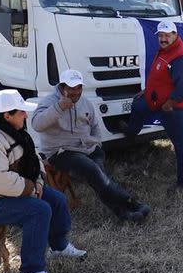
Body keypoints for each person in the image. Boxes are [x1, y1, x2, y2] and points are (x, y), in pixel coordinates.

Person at [0, 89, 85, 273]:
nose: (26, 115)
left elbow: (34, 158)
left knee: (57, 200)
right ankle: (31, 272)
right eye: (21, 112)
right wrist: (32, 189)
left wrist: (39, 182)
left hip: (5, 190)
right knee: (39, 210)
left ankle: (58, 246)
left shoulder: (9, 127)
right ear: (7, 115)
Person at [31, 69, 151, 222]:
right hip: (61, 152)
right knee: (95, 172)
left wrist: (97, 144)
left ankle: (125, 213)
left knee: (98, 176)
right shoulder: (49, 102)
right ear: (62, 87)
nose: (76, 92)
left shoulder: (85, 102)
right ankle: (131, 204)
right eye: (71, 88)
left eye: (79, 87)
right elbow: (37, 124)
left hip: (88, 148)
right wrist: (59, 107)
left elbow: (95, 126)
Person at [124, 21, 183, 190]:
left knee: (182, 145)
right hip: (155, 99)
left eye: (167, 35)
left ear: (175, 35)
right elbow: (160, 76)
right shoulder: (166, 50)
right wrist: (147, 90)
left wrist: (170, 104)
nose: (163, 39)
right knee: (138, 106)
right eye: (161, 36)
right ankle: (130, 133)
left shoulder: (180, 57)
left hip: (173, 107)